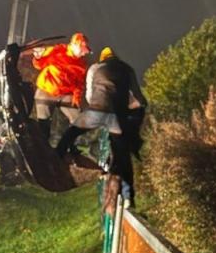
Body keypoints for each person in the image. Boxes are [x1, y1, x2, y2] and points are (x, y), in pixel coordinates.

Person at [56, 47, 147, 207]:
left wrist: (97, 109)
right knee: (122, 157)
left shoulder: (95, 68)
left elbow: (90, 95)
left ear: (102, 58)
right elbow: (138, 96)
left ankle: (56, 158)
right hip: (116, 118)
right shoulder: (128, 69)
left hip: (96, 111)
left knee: (71, 133)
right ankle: (128, 198)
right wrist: (139, 107)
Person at [32, 32, 91, 140]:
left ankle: (67, 145)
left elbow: (79, 83)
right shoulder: (58, 50)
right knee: (43, 125)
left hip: (65, 95)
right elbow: (39, 65)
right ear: (74, 45)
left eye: (85, 51)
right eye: (83, 50)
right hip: (46, 91)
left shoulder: (81, 64)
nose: (84, 53)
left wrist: (76, 98)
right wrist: (38, 57)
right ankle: (42, 151)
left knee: (79, 120)